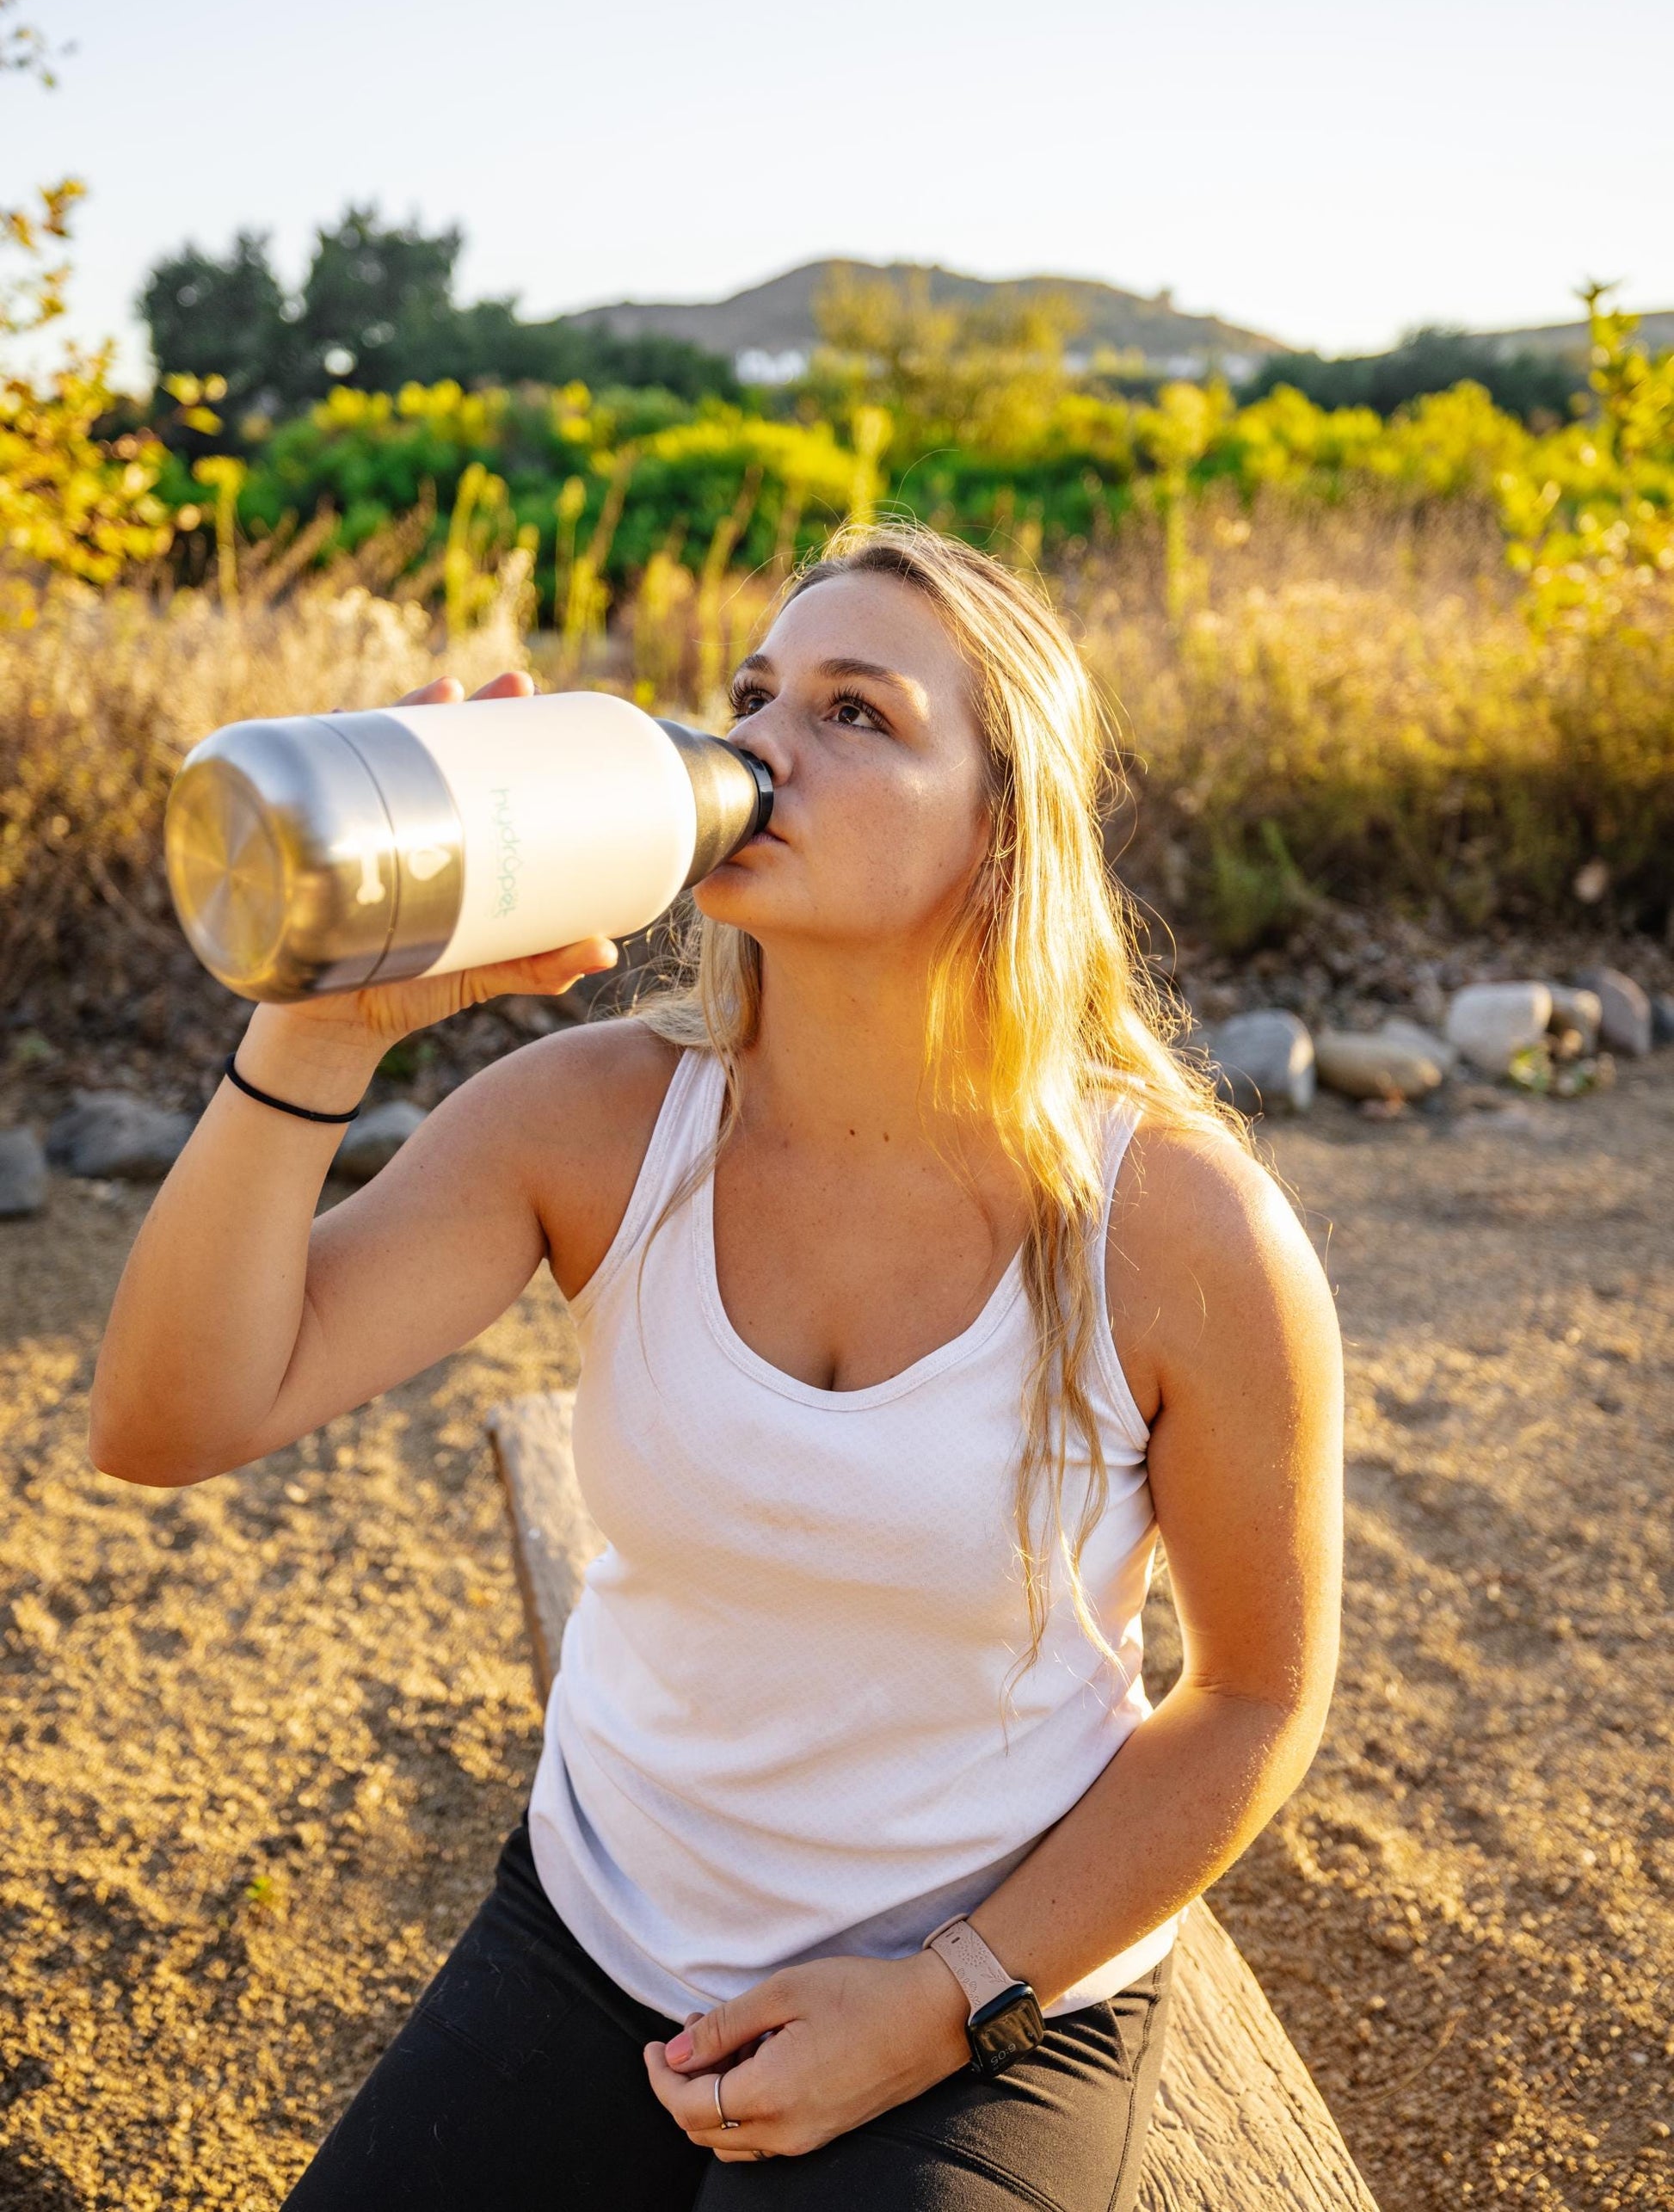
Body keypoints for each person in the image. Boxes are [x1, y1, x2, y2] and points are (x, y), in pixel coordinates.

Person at [90, 523, 1343, 2211]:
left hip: (986, 1979)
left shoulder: (1179, 1230)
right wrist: (320, 1025)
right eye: (753, 693)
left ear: (1002, 827)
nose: (759, 742)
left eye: (854, 713)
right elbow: (173, 1416)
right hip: (601, 1924)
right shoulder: (600, 1118)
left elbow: (1252, 1695)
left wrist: (944, 1995)